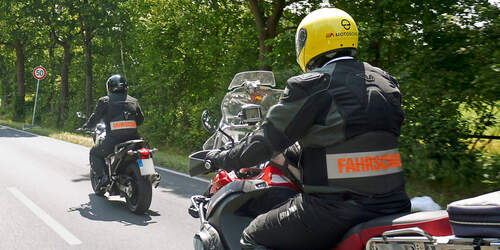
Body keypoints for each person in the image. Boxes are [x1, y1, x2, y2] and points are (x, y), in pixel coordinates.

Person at [206, 7, 411, 250]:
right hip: (393, 205)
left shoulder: (313, 84)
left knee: (252, 235)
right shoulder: (385, 81)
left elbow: (265, 142)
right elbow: (352, 137)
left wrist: (220, 159)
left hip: (333, 210)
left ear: (311, 41)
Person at [81, 74, 144, 189]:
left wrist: (87, 125)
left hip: (113, 142)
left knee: (94, 153)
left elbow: (95, 118)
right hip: (135, 140)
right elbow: (140, 120)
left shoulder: (105, 101)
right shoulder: (134, 101)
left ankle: (103, 177)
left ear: (109, 87)